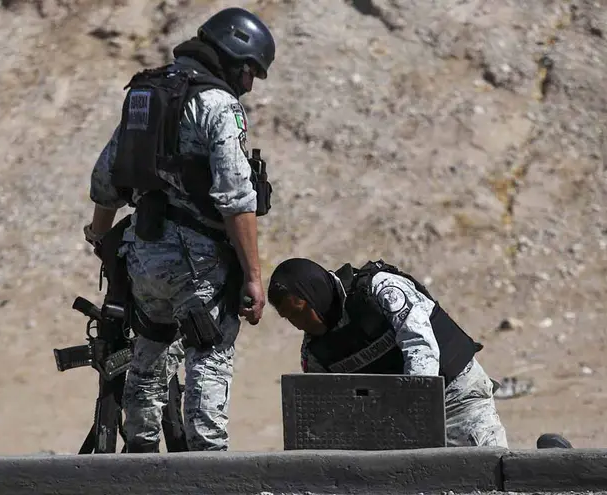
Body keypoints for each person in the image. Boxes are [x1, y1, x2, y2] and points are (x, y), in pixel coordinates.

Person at [83, 7, 276, 452]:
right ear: (232, 56)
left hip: (144, 256)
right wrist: (253, 275)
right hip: (198, 263)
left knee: (149, 352)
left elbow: (106, 179)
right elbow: (235, 198)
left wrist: (99, 236)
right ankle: (207, 463)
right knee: (209, 353)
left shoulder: (145, 94)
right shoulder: (217, 105)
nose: (249, 84)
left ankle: (140, 452)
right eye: (249, 71)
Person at [267, 257, 509, 448]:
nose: (298, 323)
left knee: (485, 473)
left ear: (315, 293)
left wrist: (411, 416)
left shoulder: (382, 290)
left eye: (300, 311)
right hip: (399, 425)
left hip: (458, 399)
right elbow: (328, 409)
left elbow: (420, 349)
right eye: (289, 318)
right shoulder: (316, 352)